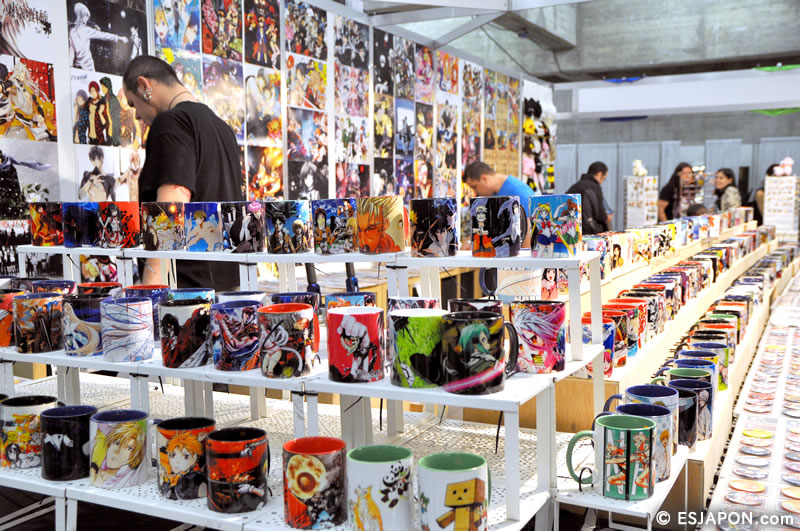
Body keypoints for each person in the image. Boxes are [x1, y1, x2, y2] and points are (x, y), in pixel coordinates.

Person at [123, 55, 243, 290]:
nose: (136, 115)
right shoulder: (223, 128)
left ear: (144, 86)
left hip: (185, 291)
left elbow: (170, 208)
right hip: (229, 285)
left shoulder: (171, 122)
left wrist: (151, 289)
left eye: (132, 103)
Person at [462, 161, 533, 247]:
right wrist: (470, 241)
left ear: (484, 179)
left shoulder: (519, 192)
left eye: (474, 187)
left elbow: (528, 235)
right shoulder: (492, 194)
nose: (475, 192)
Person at [565, 161, 609, 235]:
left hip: (571, 230)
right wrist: (606, 217)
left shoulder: (575, 186)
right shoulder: (595, 187)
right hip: (589, 231)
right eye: (603, 179)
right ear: (599, 174)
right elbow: (599, 214)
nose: (601, 182)